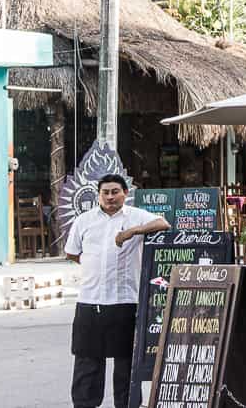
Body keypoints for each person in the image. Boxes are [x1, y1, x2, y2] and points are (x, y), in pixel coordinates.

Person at [65, 174, 171, 408]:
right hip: (90, 301)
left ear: (125, 193)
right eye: (106, 192)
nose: (110, 196)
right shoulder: (84, 221)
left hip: (125, 302)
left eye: (115, 191)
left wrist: (132, 232)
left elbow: (163, 223)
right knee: (87, 361)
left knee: (126, 362)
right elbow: (72, 252)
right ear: (99, 195)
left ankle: (126, 404)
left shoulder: (136, 216)